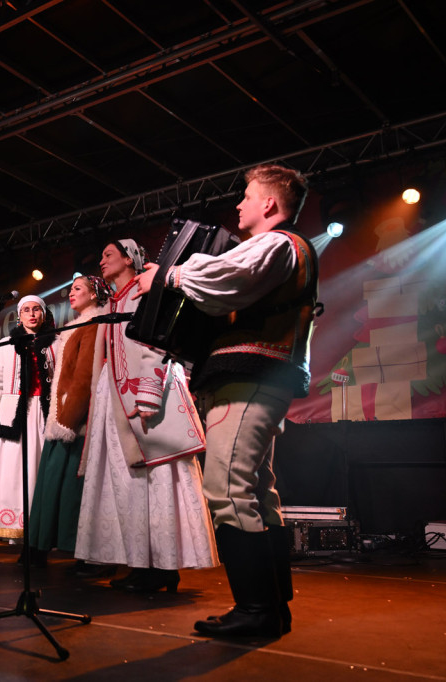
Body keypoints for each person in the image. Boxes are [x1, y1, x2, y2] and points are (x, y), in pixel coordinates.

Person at [133, 164, 318, 637]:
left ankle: (257, 611)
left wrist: (169, 277)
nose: (238, 204)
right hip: (255, 378)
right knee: (256, 489)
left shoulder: (278, 244)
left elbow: (221, 280)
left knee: (228, 487)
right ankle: (271, 608)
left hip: (254, 376)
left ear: (269, 205)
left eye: (246, 196)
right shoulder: (277, 248)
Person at [75, 239, 218, 590]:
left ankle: (161, 566)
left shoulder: (146, 292)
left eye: (108, 255)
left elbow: (156, 341)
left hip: (146, 391)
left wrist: (150, 392)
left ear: (129, 259)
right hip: (115, 395)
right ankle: (141, 563)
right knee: (126, 482)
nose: (102, 261)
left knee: (156, 479)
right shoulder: (114, 301)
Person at [26, 275, 109, 567]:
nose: (71, 293)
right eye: (70, 289)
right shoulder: (74, 326)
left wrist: (68, 419)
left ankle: (78, 550)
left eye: (78, 289)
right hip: (60, 414)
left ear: (95, 294)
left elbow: (84, 375)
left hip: (73, 418)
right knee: (51, 483)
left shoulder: (94, 323)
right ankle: (41, 545)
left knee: (72, 486)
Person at [0, 295, 55, 548]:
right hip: (15, 415)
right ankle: (16, 526)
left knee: (41, 467)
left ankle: (43, 529)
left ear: (44, 314)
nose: (31, 314)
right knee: (14, 471)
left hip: (45, 414)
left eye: (36, 309)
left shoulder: (55, 342)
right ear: (19, 315)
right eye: (26, 310)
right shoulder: (6, 344)